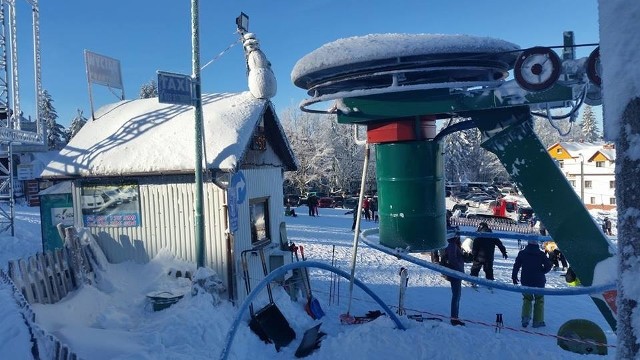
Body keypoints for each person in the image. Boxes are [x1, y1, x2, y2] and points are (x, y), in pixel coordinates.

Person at [512, 240, 552, 328]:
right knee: (539, 300)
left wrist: (514, 276)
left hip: (526, 280)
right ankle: (538, 321)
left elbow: (516, 265)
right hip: (539, 281)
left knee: (527, 299)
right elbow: (548, 265)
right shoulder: (541, 254)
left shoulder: (522, 253)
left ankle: (525, 318)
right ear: (537, 243)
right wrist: (543, 271)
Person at [443, 235, 466, 326]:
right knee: (456, 296)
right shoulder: (452, 245)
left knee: (457, 296)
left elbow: (457, 258)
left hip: (457, 273)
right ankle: (454, 318)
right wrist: (458, 269)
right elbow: (453, 260)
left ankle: (455, 317)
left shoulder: (454, 244)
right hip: (455, 274)